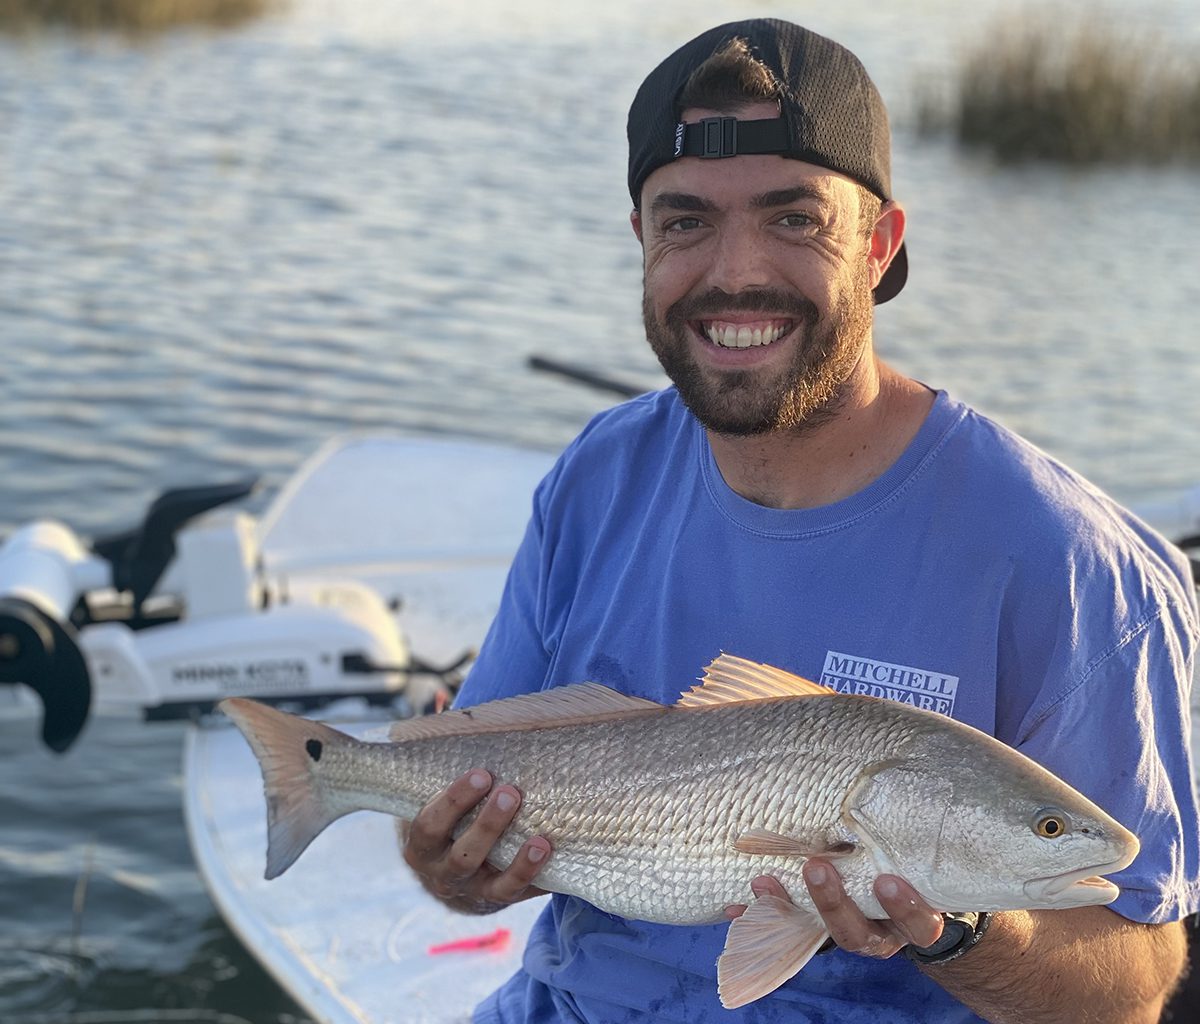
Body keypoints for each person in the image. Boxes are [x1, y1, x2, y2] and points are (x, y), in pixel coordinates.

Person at [402, 19, 1200, 1023]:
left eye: (794, 219)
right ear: (642, 242)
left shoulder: (1080, 569)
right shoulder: (596, 475)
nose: (736, 271)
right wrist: (457, 866)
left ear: (880, 245)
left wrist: (959, 924)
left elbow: (1127, 994)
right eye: (687, 221)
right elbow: (473, 821)